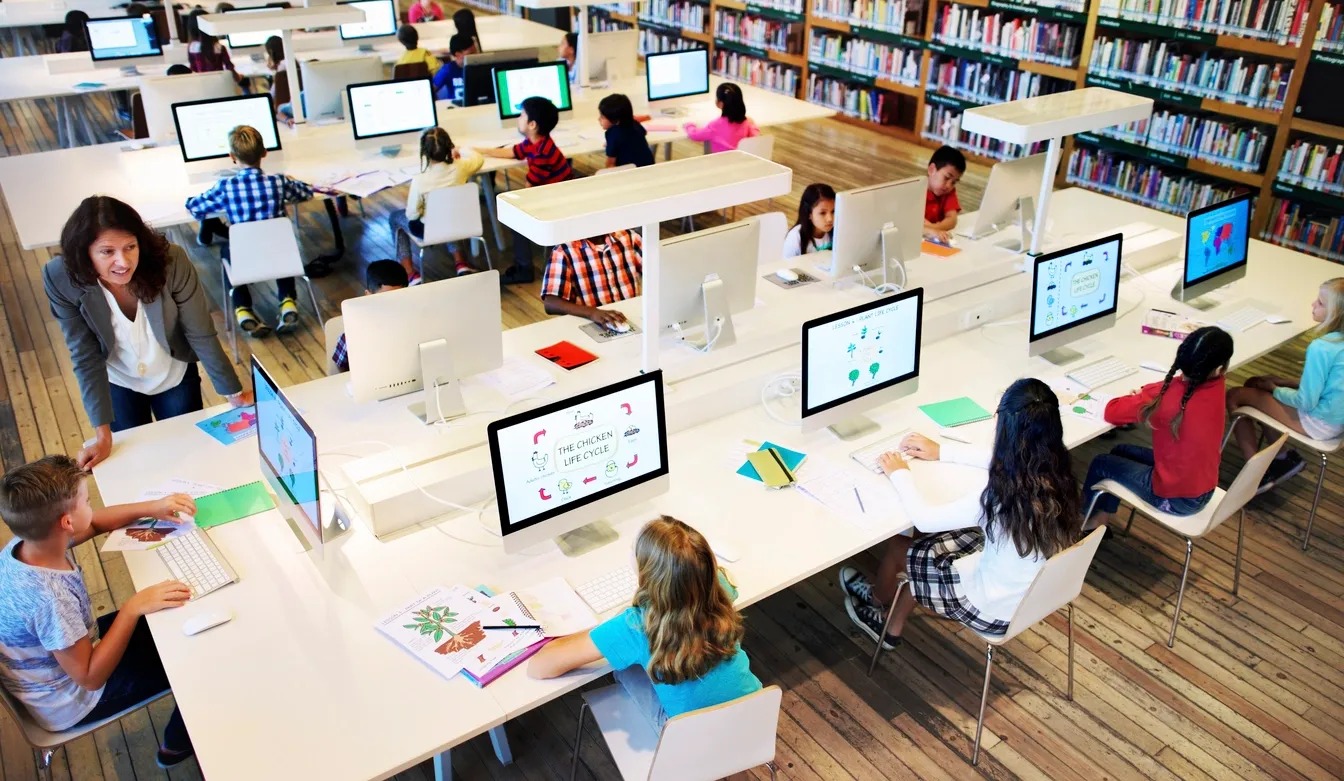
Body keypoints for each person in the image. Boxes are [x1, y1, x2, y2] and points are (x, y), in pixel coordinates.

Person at [839, 379, 1080, 648]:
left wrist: (899, 473)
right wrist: (943, 451)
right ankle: (892, 626)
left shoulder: (1000, 496)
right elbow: (1005, 462)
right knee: (926, 546)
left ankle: (876, 601)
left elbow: (925, 519)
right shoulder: (1057, 470)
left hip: (992, 610)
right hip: (1035, 593)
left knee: (901, 547)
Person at [0, 456, 196, 768]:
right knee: (194, 658)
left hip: (69, 655)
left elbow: (95, 522)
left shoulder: (28, 544)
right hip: (72, 698)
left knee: (175, 621)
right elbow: (90, 677)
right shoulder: (48, 598)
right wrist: (131, 608)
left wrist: (153, 507)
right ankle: (177, 746)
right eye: (87, 501)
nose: (91, 508)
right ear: (66, 522)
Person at [43, 196, 247, 470]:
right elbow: (84, 354)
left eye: (130, 247)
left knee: (191, 458)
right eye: (107, 252)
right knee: (135, 465)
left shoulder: (171, 261)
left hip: (173, 374)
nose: (123, 261)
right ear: (84, 253)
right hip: (118, 380)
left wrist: (232, 393)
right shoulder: (59, 277)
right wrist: (102, 433)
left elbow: (201, 333)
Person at [528, 516, 762, 729]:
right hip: (753, 720)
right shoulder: (717, 588)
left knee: (626, 668)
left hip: (686, 742)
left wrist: (607, 631)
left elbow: (539, 667)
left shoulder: (635, 625)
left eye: (634, 549)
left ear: (646, 572)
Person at [1083, 326, 1234, 528]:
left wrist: (1144, 394)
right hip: (1203, 486)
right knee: (1120, 451)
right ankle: (1099, 520)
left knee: (1101, 463)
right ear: (1219, 369)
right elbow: (1177, 390)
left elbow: (1112, 412)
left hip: (1175, 499)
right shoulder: (1217, 385)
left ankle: (1081, 521)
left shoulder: (1168, 399)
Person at [184, 125, 315, 338]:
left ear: (232, 157)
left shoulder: (226, 186)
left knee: (229, 249)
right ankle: (287, 301)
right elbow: (306, 192)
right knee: (280, 242)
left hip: (246, 259)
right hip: (280, 257)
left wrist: (190, 200)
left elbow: (196, 206)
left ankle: (243, 308)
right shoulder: (278, 181)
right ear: (264, 153)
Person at [1227, 278, 1344, 491]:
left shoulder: (1322, 348)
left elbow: (1305, 402)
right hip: (1337, 421)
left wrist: (1276, 389)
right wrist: (1287, 382)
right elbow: (1333, 385)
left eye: (1320, 303)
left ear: (1335, 313)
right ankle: (1283, 457)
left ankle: (1255, 476)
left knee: (1235, 396)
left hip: (1318, 422)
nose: (1313, 305)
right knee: (1254, 383)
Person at [479, 96, 574, 285]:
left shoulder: (541, 154)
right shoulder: (538, 142)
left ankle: (524, 268)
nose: (518, 118)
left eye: (522, 115)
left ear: (532, 124)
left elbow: (528, 192)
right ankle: (523, 265)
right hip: (553, 194)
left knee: (516, 216)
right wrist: (478, 150)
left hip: (556, 202)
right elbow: (513, 151)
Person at [390, 127, 484, 281]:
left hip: (430, 229)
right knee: (449, 213)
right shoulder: (461, 167)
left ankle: (409, 273)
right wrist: (461, 150)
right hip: (460, 223)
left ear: (424, 152)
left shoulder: (420, 180)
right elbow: (479, 159)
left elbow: (412, 214)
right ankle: (460, 262)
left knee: (395, 217)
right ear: (450, 146)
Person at [542, 230, 642, 327]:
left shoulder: (629, 237)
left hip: (631, 317)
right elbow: (551, 303)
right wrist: (592, 312)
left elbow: (655, 271)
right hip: (590, 322)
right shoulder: (564, 251)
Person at [330, 261, 409, 373]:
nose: (392, 306)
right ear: (368, 296)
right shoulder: (354, 332)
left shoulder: (413, 323)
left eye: (399, 298)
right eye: (385, 300)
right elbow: (341, 367)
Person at [684, 83, 759, 153]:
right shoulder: (747, 123)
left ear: (719, 103)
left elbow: (694, 135)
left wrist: (689, 125)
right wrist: (752, 124)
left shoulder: (715, 126)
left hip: (721, 164)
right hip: (741, 163)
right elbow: (755, 137)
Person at [186, 8, 243, 87]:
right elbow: (229, 67)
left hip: (203, 86)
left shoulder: (192, 48)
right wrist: (238, 78)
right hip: (220, 84)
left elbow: (193, 68)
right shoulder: (219, 47)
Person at [598, 93, 654, 168]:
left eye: (602, 117)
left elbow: (610, 163)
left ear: (616, 120)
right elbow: (643, 132)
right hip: (649, 167)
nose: (599, 119)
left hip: (629, 172)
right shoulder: (634, 123)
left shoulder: (612, 134)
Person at [924, 144, 965, 243]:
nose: (949, 186)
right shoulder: (916, 189)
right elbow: (913, 222)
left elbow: (952, 220)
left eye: (954, 182)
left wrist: (936, 228)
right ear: (932, 170)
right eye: (946, 178)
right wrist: (933, 231)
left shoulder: (949, 192)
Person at [783, 183, 836, 258]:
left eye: (833, 211)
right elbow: (786, 268)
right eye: (822, 213)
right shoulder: (795, 237)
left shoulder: (837, 231)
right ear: (809, 214)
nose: (830, 219)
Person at [432, 33, 475, 104]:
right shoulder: (448, 69)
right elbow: (431, 90)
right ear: (457, 54)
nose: (475, 56)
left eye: (476, 52)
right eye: (471, 54)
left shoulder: (477, 67)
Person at [263, 35, 294, 124]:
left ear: (270, 52)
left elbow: (271, 95)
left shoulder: (281, 69)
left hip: (283, 110)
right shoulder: (293, 61)